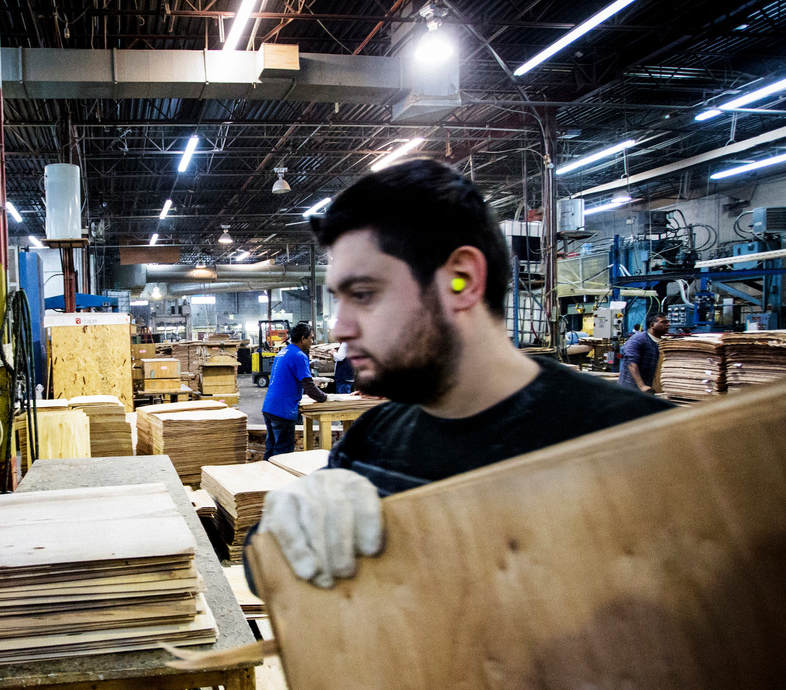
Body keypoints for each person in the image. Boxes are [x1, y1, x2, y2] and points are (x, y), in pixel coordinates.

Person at [251, 159, 672, 589]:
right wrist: (281, 530)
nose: (340, 327)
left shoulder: (645, 448)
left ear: (461, 280)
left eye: (363, 294)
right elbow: (263, 570)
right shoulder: (371, 442)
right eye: (339, 299)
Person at [261, 322, 327, 459]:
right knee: (282, 454)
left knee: (271, 450)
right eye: (311, 338)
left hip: (270, 407)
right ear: (303, 338)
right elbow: (309, 387)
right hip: (283, 411)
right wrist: (324, 398)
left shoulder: (283, 352)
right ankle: (281, 480)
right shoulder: (299, 355)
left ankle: (267, 478)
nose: (312, 342)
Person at [618, 312, 670, 393]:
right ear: (652, 325)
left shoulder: (664, 342)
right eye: (664, 322)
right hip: (631, 390)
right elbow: (632, 363)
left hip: (651, 389)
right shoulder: (638, 340)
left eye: (668, 322)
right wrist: (642, 386)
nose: (668, 324)